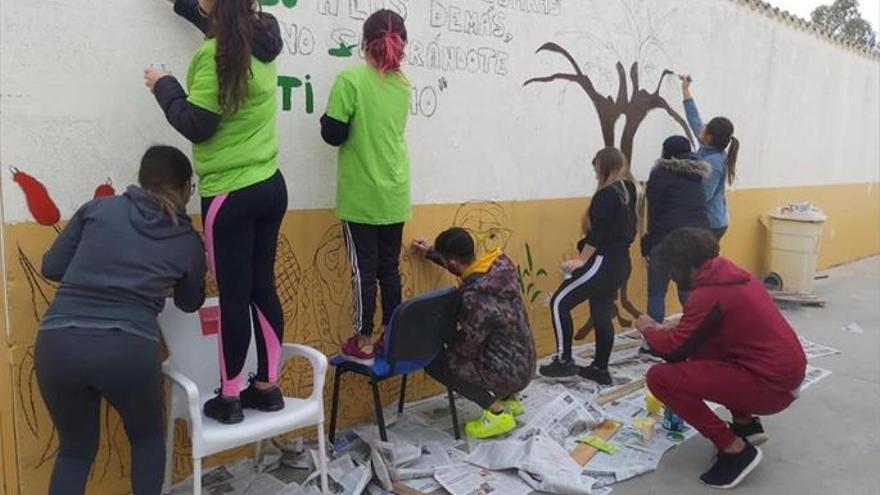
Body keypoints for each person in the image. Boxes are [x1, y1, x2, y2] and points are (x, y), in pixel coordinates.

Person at [145, 0, 287, 424]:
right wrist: (183, 7)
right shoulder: (262, 37)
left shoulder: (215, 55)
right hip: (270, 185)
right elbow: (218, 20)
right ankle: (267, 387)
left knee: (234, 298)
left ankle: (228, 397)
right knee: (263, 288)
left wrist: (164, 85)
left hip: (230, 194)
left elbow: (197, 123)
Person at [35, 146, 206, 495]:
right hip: (127, 349)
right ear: (186, 187)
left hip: (57, 343)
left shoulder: (99, 209)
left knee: (74, 451)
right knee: (146, 440)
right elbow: (190, 303)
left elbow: (51, 267)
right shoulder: (187, 240)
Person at [637, 228, 806, 489]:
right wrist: (671, 329)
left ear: (685, 265)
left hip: (771, 387)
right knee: (704, 346)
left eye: (672, 270)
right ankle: (745, 424)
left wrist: (648, 329)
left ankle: (735, 449)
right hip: (785, 373)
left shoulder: (708, 294)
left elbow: (672, 351)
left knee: (659, 378)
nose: (670, 278)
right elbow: (702, 329)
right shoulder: (731, 275)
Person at [320, 10, 411, 366]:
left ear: (364, 42)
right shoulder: (403, 85)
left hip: (362, 194)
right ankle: (391, 333)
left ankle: (364, 339)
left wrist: (325, 119)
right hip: (395, 190)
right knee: (389, 268)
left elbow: (333, 133)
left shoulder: (350, 80)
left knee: (364, 270)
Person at [411, 228, 536, 439]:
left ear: (452, 262)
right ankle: (507, 398)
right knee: (493, 345)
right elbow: (466, 270)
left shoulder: (475, 299)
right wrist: (431, 252)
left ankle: (496, 412)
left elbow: (467, 350)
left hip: (510, 373)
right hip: (526, 364)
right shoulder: (500, 268)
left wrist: (441, 337)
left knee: (435, 361)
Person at [539, 148, 637, 384]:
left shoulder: (607, 195)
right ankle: (599, 369)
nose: (595, 175)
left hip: (603, 261)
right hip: (621, 262)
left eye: (596, 170)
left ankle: (564, 361)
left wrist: (581, 260)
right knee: (602, 313)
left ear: (603, 167)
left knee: (558, 302)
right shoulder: (630, 190)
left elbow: (598, 232)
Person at [642, 136, 710, 323]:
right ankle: (695, 335)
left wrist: (648, 244)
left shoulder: (660, 174)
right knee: (687, 289)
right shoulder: (698, 176)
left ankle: (652, 343)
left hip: (666, 238)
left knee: (657, 292)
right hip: (697, 239)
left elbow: (653, 212)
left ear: (666, 153)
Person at [681, 75, 739, 240]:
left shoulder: (713, 163)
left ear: (709, 136)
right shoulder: (709, 147)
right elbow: (694, 118)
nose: (702, 126)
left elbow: (703, 196)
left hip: (710, 225)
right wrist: (685, 89)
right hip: (706, 222)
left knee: (702, 265)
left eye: (706, 127)